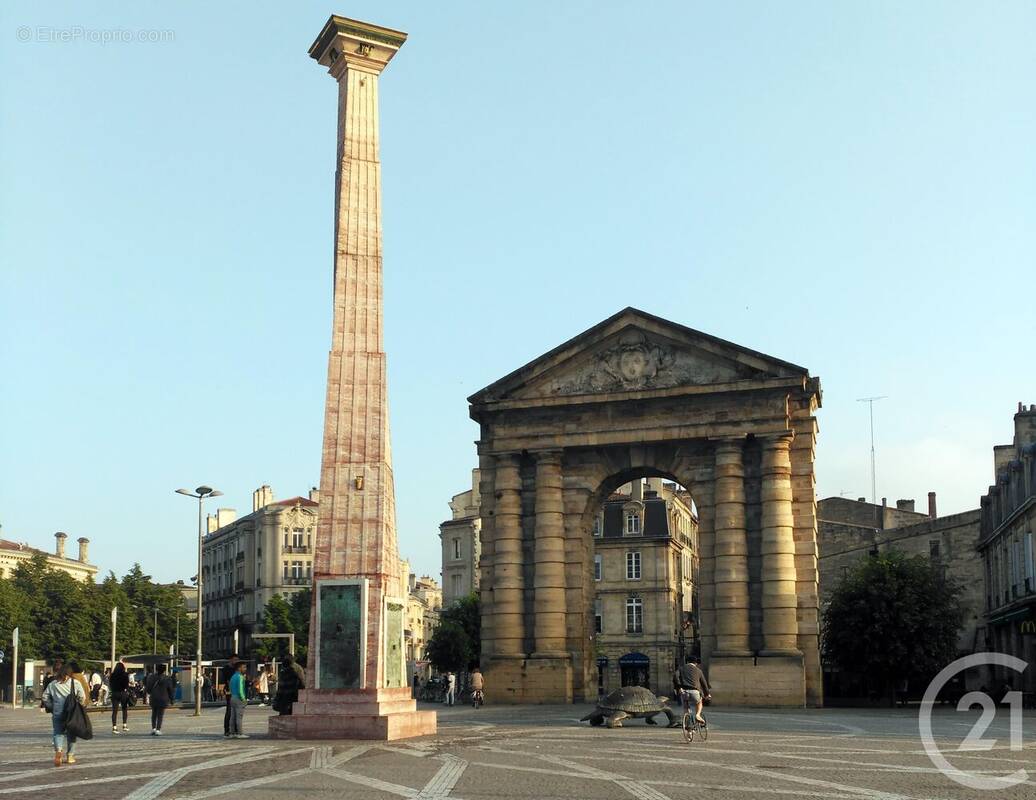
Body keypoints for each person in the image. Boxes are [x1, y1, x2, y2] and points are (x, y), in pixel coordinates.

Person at [43, 665, 87, 766]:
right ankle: (70, 756)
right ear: (69, 674)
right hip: (71, 713)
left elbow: (45, 697)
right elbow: (82, 697)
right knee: (71, 733)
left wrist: (52, 706)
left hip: (57, 712)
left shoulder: (53, 684)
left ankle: (58, 750)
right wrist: (79, 706)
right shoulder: (75, 683)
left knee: (58, 732)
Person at [673, 656, 711, 725]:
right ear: (695, 663)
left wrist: (679, 687)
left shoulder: (681, 669)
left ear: (687, 662)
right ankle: (698, 715)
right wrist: (707, 694)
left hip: (684, 691)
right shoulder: (698, 671)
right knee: (699, 702)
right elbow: (704, 684)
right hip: (695, 691)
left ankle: (689, 730)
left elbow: (675, 676)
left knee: (686, 708)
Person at [144, 664, 176, 735]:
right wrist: (172, 699)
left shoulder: (151, 677)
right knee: (160, 714)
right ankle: (158, 729)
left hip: (154, 698)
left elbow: (148, 689)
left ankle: (153, 728)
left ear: (157, 669)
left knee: (154, 713)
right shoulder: (167, 679)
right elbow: (170, 690)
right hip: (163, 698)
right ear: (164, 670)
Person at [220, 654, 240, 738]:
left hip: (237, 692)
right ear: (230, 660)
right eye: (235, 660)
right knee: (229, 711)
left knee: (236, 712)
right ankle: (227, 730)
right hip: (229, 692)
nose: (236, 661)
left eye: (237, 660)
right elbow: (222, 681)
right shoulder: (225, 669)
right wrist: (221, 691)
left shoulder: (237, 669)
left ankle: (235, 730)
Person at [228, 661, 249, 739]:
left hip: (232, 697)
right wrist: (244, 699)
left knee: (232, 716)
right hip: (238, 698)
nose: (245, 669)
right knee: (239, 717)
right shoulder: (240, 677)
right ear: (239, 668)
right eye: (244, 667)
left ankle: (232, 732)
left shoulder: (233, 676)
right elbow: (240, 690)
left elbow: (230, 687)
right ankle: (240, 733)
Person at [109, 661, 131, 733]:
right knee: (124, 709)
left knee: (114, 711)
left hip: (114, 693)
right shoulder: (124, 675)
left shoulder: (112, 675)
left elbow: (110, 684)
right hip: (122, 693)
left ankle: (114, 727)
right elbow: (126, 685)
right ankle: (124, 725)